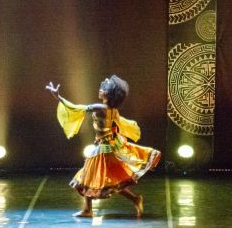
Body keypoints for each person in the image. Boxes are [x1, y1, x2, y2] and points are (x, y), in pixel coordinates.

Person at [46, 76, 161, 218]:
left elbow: (76, 109)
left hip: (104, 148)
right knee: (110, 180)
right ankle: (134, 199)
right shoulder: (113, 110)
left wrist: (58, 97)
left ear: (109, 95)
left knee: (88, 176)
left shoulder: (100, 108)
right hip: (109, 145)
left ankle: (89, 209)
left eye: (104, 90)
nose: (100, 90)